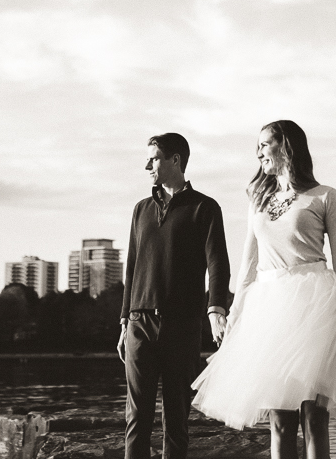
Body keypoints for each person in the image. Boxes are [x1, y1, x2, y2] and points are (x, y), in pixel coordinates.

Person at [191, 120, 336, 459]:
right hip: (269, 309)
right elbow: (247, 266)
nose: (258, 151)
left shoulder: (324, 196)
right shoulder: (259, 200)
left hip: (316, 307)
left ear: (286, 146)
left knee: (314, 416)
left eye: (264, 143)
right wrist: (234, 319)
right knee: (280, 419)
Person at [119, 133, 231, 459]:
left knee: (176, 419)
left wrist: (215, 310)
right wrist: (125, 321)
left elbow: (218, 264)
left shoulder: (205, 208)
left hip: (182, 325)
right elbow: (131, 268)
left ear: (175, 160)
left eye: (153, 159)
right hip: (139, 323)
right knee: (136, 416)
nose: (147, 165)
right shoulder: (140, 210)